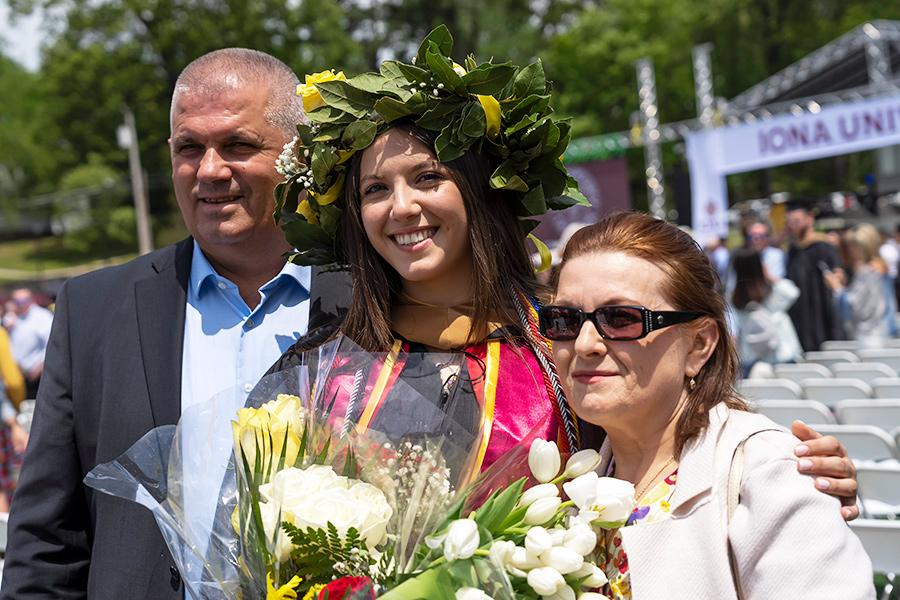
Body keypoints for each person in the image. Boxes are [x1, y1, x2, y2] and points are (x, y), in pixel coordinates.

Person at [269, 28, 857, 501]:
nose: (402, 208)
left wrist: (789, 474)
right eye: (375, 190)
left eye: (428, 178)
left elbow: (681, 443)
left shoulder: (567, 340)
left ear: (483, 194)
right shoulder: (320, 368)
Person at [1, 49, 349, 599]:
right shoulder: (94, 310)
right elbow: (46, 542)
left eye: (238, 144)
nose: (210, 170)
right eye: (190, 147)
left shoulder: (372, 301)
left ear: (296, 155)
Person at [542, 212, 872, 599]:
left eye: (620, 318)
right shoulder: (566, 481)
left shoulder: (768, 475)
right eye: (564, 319)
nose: (584, 344)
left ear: (699, 345)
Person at [730, 247, 802, 374]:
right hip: (782, 354)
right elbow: (793, 292)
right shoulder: (773, 291)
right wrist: (770, 276)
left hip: (751, 357)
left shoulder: (735, 297)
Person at [784, 198, 844, 350]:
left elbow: (839, 275)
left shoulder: (823, 246)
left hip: (823, 312)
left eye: (796, 220)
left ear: (810, 218)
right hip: (801, 315)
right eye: (790, 221)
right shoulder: (792, 250)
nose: (793, 225)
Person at [824, 223, 891, 348]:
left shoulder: (868, 271)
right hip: (882, 333)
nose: (851, 251)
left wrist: (837, 288)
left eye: (855, 246)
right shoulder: (879, 267)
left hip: (869, 338)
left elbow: (854, 306)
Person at [7, 288, 53, 398]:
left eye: (23, 301)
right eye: (17, 301)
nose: (20, 304)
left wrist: (40, 367)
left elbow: (52, 344)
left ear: (31, 300)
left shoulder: (42, 317)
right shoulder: (12, 317)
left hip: (37, 375)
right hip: (17, 375)